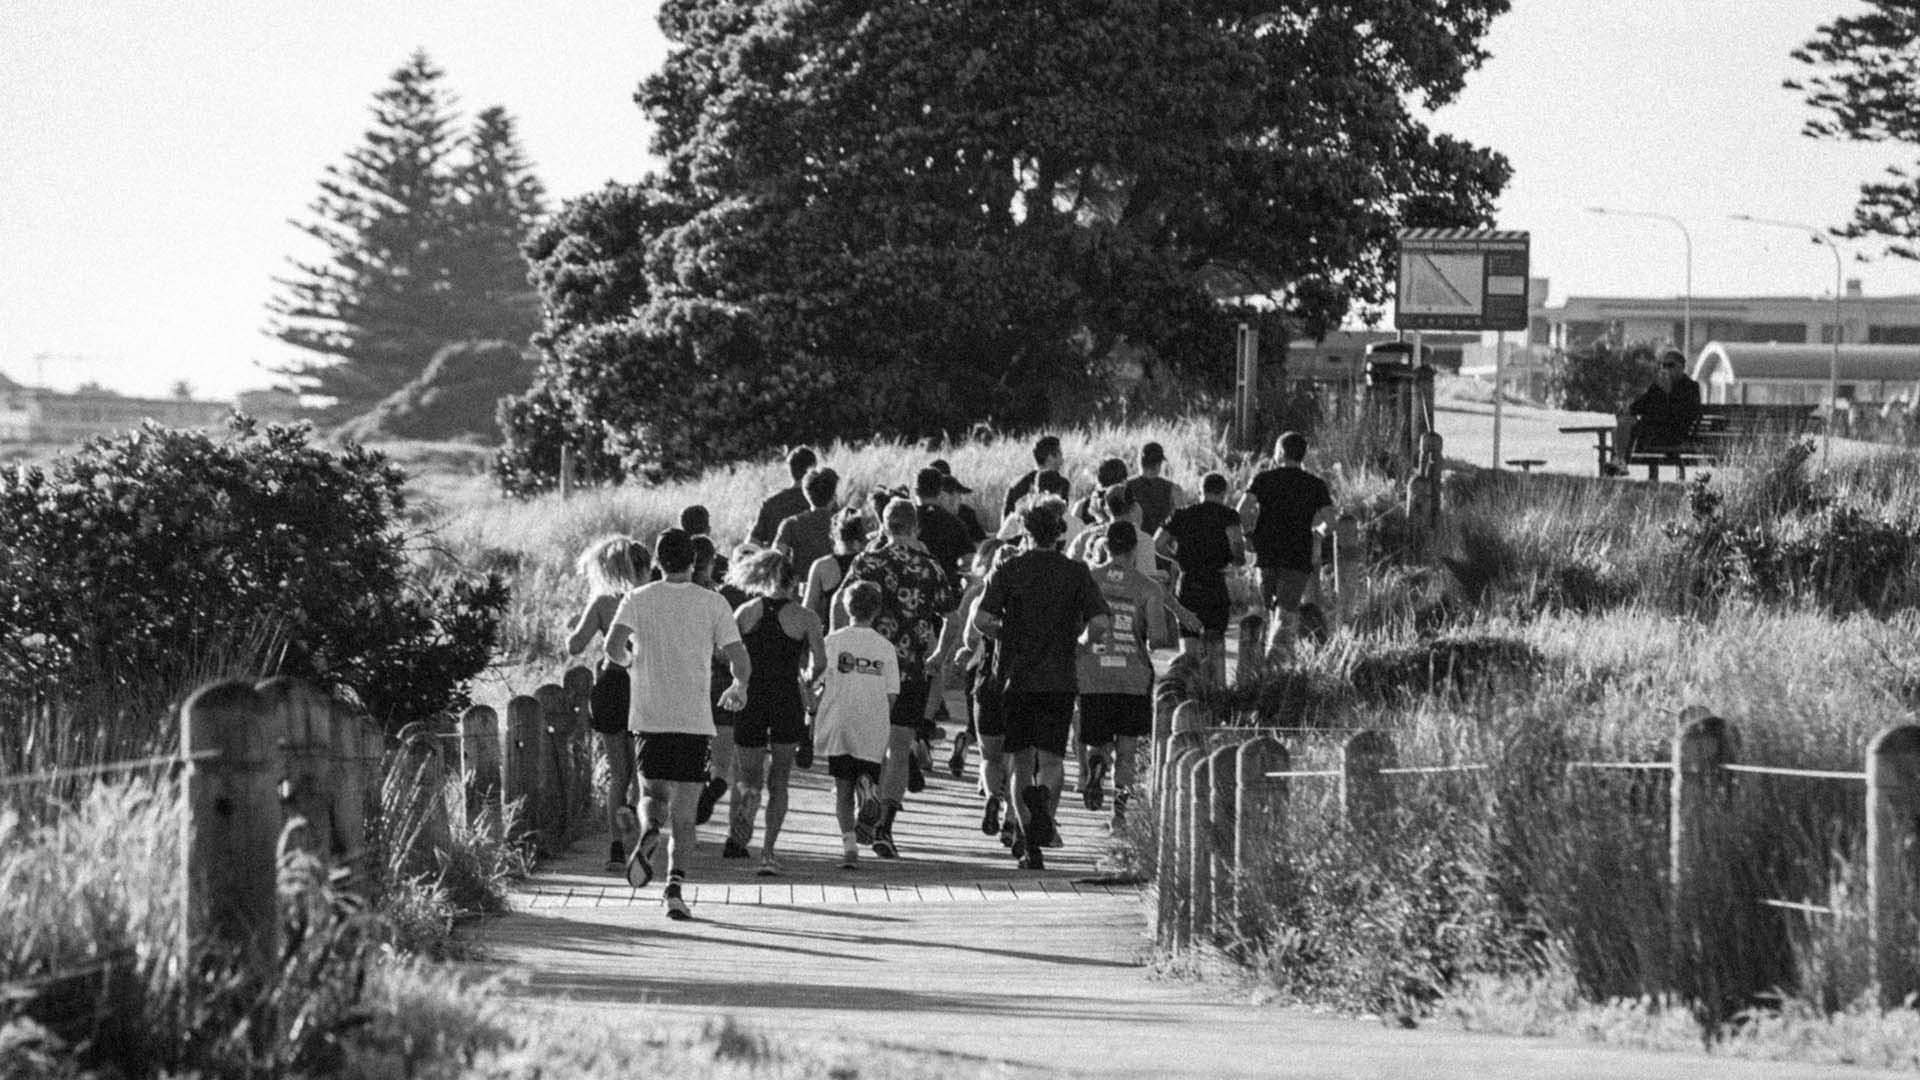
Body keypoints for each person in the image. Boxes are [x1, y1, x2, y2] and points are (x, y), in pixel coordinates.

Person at [604, 528, 750, 921]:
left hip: (650, 716)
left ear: (657, 562)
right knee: (685, 817)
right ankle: (674, 890)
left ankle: (650, 825)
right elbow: (740, 658)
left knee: (651, 793)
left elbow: (611, 647)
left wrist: (631, 663)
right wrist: (739, 686)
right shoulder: (713, 602)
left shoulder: (638, 598)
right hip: (693, 719)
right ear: (694, 563)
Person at [971, 496, 1110, 870]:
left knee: (1019, 761)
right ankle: (1044, 815)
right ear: (1059, 534)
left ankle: (1027, 843)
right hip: (1060, 677)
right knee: (1051, 760)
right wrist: (1079, 642)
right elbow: (1099, 623)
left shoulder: (1009, 568)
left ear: (1026, 534)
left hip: (1015, 678)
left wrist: (1007, 633)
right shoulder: (1076, 572)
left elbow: (981, 620)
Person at [837, 496, 958, 858]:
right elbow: (952, 616)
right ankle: (885, 828)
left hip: (869, 662)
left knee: (865, 736)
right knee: (900, 745)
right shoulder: (929, 566)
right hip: (912, 665)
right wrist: (939, 654)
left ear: (885, 526)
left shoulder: (868, 561)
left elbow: (845, 602)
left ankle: (865, 783)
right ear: (916, 527)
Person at [1078, 522, 1198, 830]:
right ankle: (1118, 814)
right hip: (1133, 676)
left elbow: (1079, 626)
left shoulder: (1089, 580)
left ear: (1106, 546)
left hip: (1094, 674)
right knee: (1128, 749)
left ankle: (1096, 762)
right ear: (1134, 550)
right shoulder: (1147, 587)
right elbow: (1157, 638)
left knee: (1097, 740)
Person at [723, 550, 826, 875]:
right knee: (780, 779)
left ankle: (749, 796)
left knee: (748, 774)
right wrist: (808, 680)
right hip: (786, 698)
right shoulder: (806, 617)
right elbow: (820, 663)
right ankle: (768, 853)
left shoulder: (745, 611)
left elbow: (728, 656)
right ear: (794, 581)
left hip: (751, 697)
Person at [564, 535, 651, 872]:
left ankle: (615, 846)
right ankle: (641, 841)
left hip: (610, 687)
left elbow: (575, 646)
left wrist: (575, 626)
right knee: (642, 772)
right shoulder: (648, 600)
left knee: (618, 773)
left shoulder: (601, 603)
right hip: (640, 687)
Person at [814, 581, 900, 870]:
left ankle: (849, 848)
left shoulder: (833, 641)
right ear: (877, 611)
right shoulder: (886, 647)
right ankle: (869, 788)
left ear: (846, 607)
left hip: (840, 720)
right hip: (872, 722)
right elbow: (892, 694)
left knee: (841, 788)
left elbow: (817, 680)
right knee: (867, 770)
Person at [1238, 431, 1336, 655]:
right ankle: (1277, 660)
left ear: (1280, 453)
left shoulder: (1263, 479)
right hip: (1298, 555)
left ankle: (1259, 664)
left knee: (1268, 610)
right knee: (1286, 610)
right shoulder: (1315, 484)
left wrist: (1248, 535)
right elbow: (1330, 522)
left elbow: (1242, 509)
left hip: (1267, 554)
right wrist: (1318, 534)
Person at [1156, 473, 1245, 686]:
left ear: (1200, 491)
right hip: (1215, 581)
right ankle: (1215, 691)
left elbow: (1157, 543)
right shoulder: (1229, 515)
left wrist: (1177, 558)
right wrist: (1236, 560)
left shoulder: (1181, 515)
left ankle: (1188, 693)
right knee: (1215, 642)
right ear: (1224, 493)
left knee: (1190, 645)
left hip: (1189, 582)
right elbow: (1236, 544)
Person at [1609, 348, 1703, 474]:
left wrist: (1668, 393)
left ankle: (1621, 461)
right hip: (1652, 430)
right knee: (1624, 421)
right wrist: (1628, 409)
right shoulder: (1658, 386)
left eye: (1670, 365)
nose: (1666, 368)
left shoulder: (1690, 387)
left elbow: (1685, 415)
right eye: (1664, 365)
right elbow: (1640, 405)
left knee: (1626, 427)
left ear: (1681, 367)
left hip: (1673, 433)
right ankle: (1620, 461)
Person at [803, 509, 872, 627]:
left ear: (836, 536)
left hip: (834, 636)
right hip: (868, 637)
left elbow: (808, 610)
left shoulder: (822, 566)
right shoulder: (872, 563)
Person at [772, 466, 840, 573]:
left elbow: (775, 560)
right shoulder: (842, 523)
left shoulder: (791, 524)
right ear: (833, 496)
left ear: (806, 494)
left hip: (802, 586)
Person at [751, 446, 818, 546]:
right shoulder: (822, 500)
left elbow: (753, 543)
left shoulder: (771, 504)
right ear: (812, 468)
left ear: (790, 470)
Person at [1002, 435, 1071, 517]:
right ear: (1050, 457)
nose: (1062, 460)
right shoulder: (1062, 484)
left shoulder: (1017, 484)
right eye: (1060, 454)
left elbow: (1005, 521)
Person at [1125, 441, 1184, 537]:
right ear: (1159, 464)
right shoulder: (1173, 489)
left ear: (1139, 462)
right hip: (1162, 545)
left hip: (1134, 542)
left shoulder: (1125, 487)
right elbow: (1180, 522)